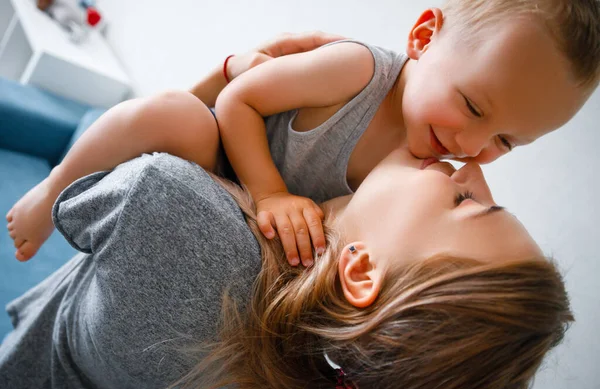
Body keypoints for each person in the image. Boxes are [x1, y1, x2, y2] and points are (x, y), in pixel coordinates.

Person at [6, 0, 600, 267]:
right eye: (472, 105)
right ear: (423, 39)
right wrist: (268, 191)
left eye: (507, 143)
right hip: (227, 164)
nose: (473, 147)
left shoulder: (428, 167)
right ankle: (55, 185)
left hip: (250, 237)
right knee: (172, 114)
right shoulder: (359, 70)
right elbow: (239, 99)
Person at [0, 147, 573, 389]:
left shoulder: (180, 212)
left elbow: (73, 202)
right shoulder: (310, 375)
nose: (472, 168)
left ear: (362, 271)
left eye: (467, 203)